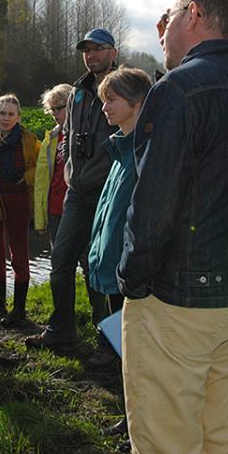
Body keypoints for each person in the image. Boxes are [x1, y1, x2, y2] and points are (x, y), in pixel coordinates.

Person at [117, 0, 228, 454]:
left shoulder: (178, 89)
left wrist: (132, 278)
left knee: (166, 446)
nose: (160, 32)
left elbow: (155, 200)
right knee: (219, 436)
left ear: (194, 14)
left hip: (179, 300)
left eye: (166, 17)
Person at [26, 29, 118, 351]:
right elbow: (68, 135)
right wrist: (68, 173)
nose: (91, 55)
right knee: (61, 261)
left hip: (110, 192)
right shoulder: (77, 91)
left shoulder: (125, 88)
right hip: (77, 193)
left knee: (103, 268)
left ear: (113, 53)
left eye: (98, 49)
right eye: (87, 50)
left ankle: (111, 343)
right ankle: (61, 330)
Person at [86, 67, 152, 377]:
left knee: (138, 350)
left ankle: (138, 418)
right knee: (124, 342)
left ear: (137, 101)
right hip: (114, 265)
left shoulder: (144, 153)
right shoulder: (120, 149)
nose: (104, 107)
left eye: (111, 99)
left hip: (131, 269)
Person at [0, 94, 40, 328]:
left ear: (18, 116)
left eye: (10, 114)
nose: (5, 118)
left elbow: (41, 166)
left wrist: (25, 177)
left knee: (20, 255)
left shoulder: (29, 139)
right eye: (1, 113)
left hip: (19, 201)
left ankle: (19, 310)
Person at [34, 83, 74, 247]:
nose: (55, 114)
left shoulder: (86, 134)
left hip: (78, 209)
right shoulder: (51, 139)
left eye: (59, 109)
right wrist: (40, 219)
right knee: (59, 262)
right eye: (52, 111)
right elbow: (42, 181)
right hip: (55, 210)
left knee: (87, 261)